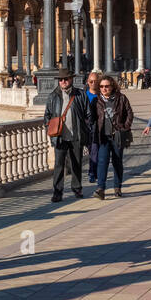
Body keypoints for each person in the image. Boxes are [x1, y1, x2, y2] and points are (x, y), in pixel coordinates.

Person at [44, 67, 93, 202]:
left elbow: (88, 113)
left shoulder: (80, 94)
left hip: (76, 135)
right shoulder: (53, 96)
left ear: (71, 79)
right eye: (61, 80)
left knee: (76, 163)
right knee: (59, 164)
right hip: (59, 136)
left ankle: (77, 188)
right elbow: (47, 115)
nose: (63, 82)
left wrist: (86, 129)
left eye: (66, 79)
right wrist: (50, 127)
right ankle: (57, 192)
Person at [90, 74, 133, 199]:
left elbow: (129, 113)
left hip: (117, 135)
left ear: (112, 86)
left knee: (117, 161)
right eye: (102, 86)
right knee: (102, 162)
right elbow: (92, 117)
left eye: (107, 86)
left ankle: (117, 187)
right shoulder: (96, 100)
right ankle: (100, 188)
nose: (104, 89)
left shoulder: (121, 98)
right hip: (103, 136)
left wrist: (124, 128)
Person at [83, 71, 101, 184]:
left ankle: (93, 172)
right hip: (86, 127)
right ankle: (93, 172)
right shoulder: (83, 95)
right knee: (92, 150)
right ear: (87, 82)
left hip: (99, 127)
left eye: (95, 81)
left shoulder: (101, 95)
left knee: (95, 151)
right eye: (91, 81)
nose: (93, 83)